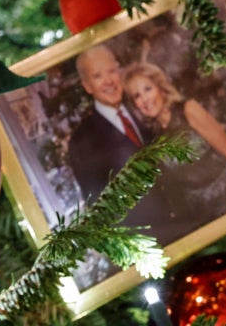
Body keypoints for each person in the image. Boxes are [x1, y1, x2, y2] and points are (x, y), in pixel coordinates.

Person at [66, 45, 181, 241]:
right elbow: (99, 208)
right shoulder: (82, 141)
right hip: (149, 242)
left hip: (186, 217)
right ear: (87, 86)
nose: (109, 81)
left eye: (112, 71)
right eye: (98, 76)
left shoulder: (144, 104)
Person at [122, 61, 226, 225]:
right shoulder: (153, 137)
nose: (144, 99)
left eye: (147, 89)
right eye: (137, 96)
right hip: (203, 219)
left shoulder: (188, 110)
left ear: (161, 88)